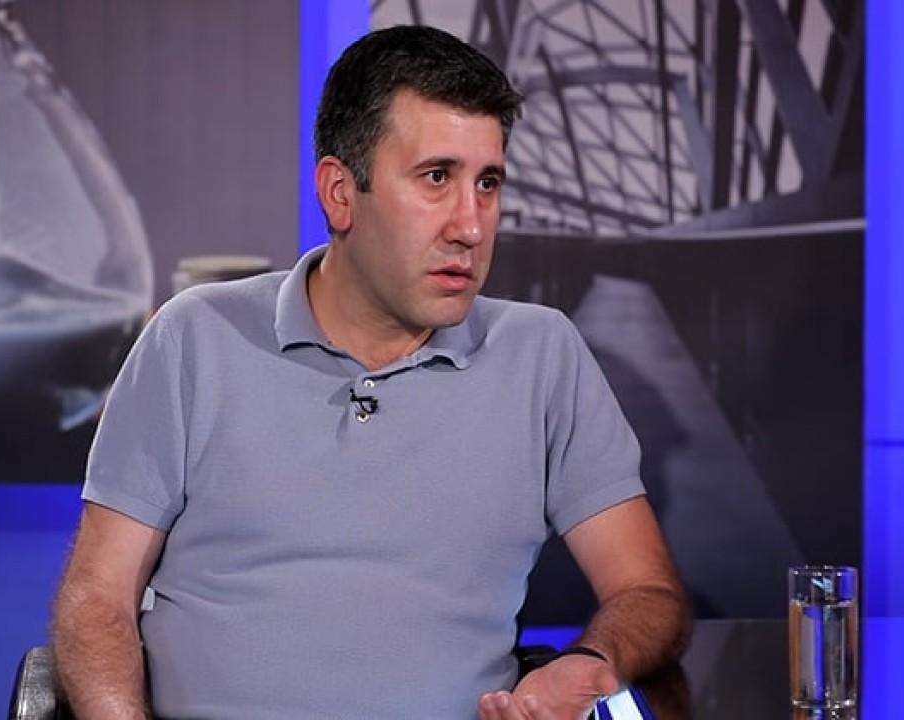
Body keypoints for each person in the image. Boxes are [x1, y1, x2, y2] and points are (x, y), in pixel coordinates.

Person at [50, 24, 691, 720]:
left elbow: (648, 594)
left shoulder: (541, 354)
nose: (471, 226)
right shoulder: (193, 339)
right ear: (339, 193)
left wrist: (591, 661)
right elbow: (98, 599)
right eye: (437, 178)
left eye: (487, 183)